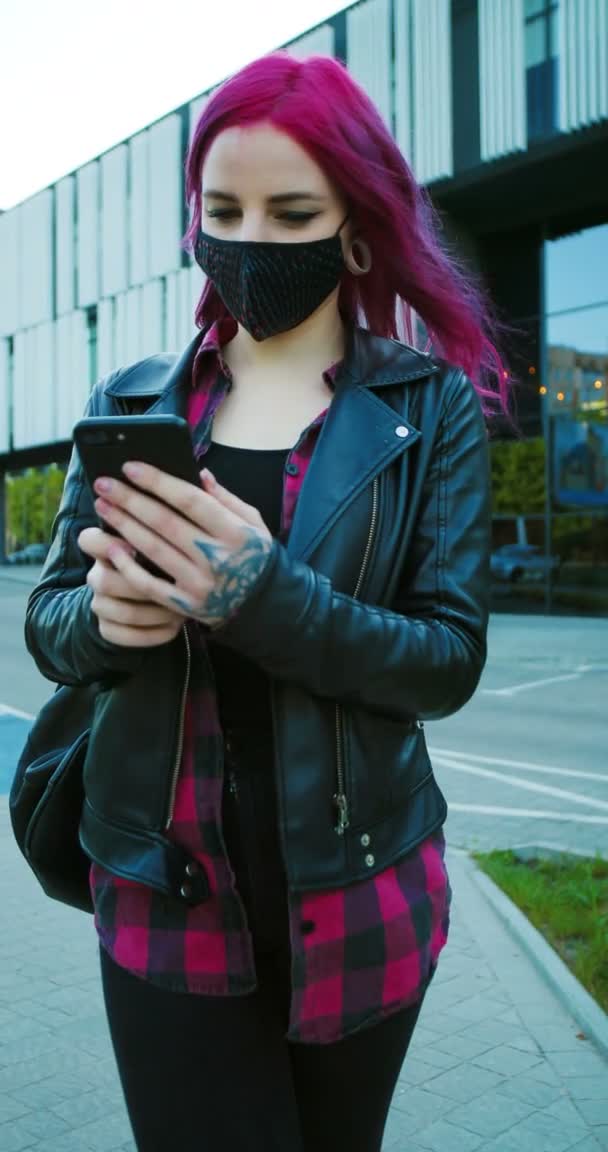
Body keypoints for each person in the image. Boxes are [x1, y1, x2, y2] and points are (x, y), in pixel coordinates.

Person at [25, 51, 507, 1152]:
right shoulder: (132, 401)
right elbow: (49, 622)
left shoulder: (424, 408)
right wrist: (105, 621)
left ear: (353, 222)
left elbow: (446, 659)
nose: (248, 240)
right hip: (159, 892)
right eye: (222, 209)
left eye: (290, 211)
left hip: (361, 894)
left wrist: (262, 597)